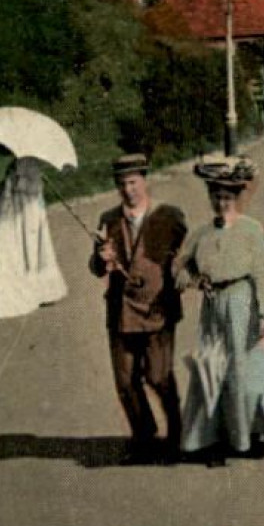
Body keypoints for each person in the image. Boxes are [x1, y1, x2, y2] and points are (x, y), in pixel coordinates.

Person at [176, 157, 264, 466]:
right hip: (214, 306)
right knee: (212, 369)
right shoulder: (202, 234)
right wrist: (191, 279)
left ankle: (246, 437)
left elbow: (263, 273)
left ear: (237, 198)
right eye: (216, 196)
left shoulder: (251, 230)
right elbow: (183, 268)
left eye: (228, 197)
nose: (222, 203)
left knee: (243, 371)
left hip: (243, 303)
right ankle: (211, 438)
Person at [89, 154, 188, 464]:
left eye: (133, 182)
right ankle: (143, 437)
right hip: (121, 313)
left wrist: (182, 273)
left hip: (157, 309)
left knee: (159, 376)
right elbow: (96, 269)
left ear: (145, 180)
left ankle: (177, 435)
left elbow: (186, 257)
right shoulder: (108, 220)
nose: (128, 190)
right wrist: (102, 259)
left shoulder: (169, 217)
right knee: (125, 381)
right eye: (122, 184)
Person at [0, 156, 67, 318]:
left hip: (29, 213)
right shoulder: (13, 163)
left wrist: (18, 182)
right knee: (13, 248)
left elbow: (35, 187)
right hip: (14, 211)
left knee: (31, 251)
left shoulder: (31, 164)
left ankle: (41, 289)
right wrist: (4, 185)